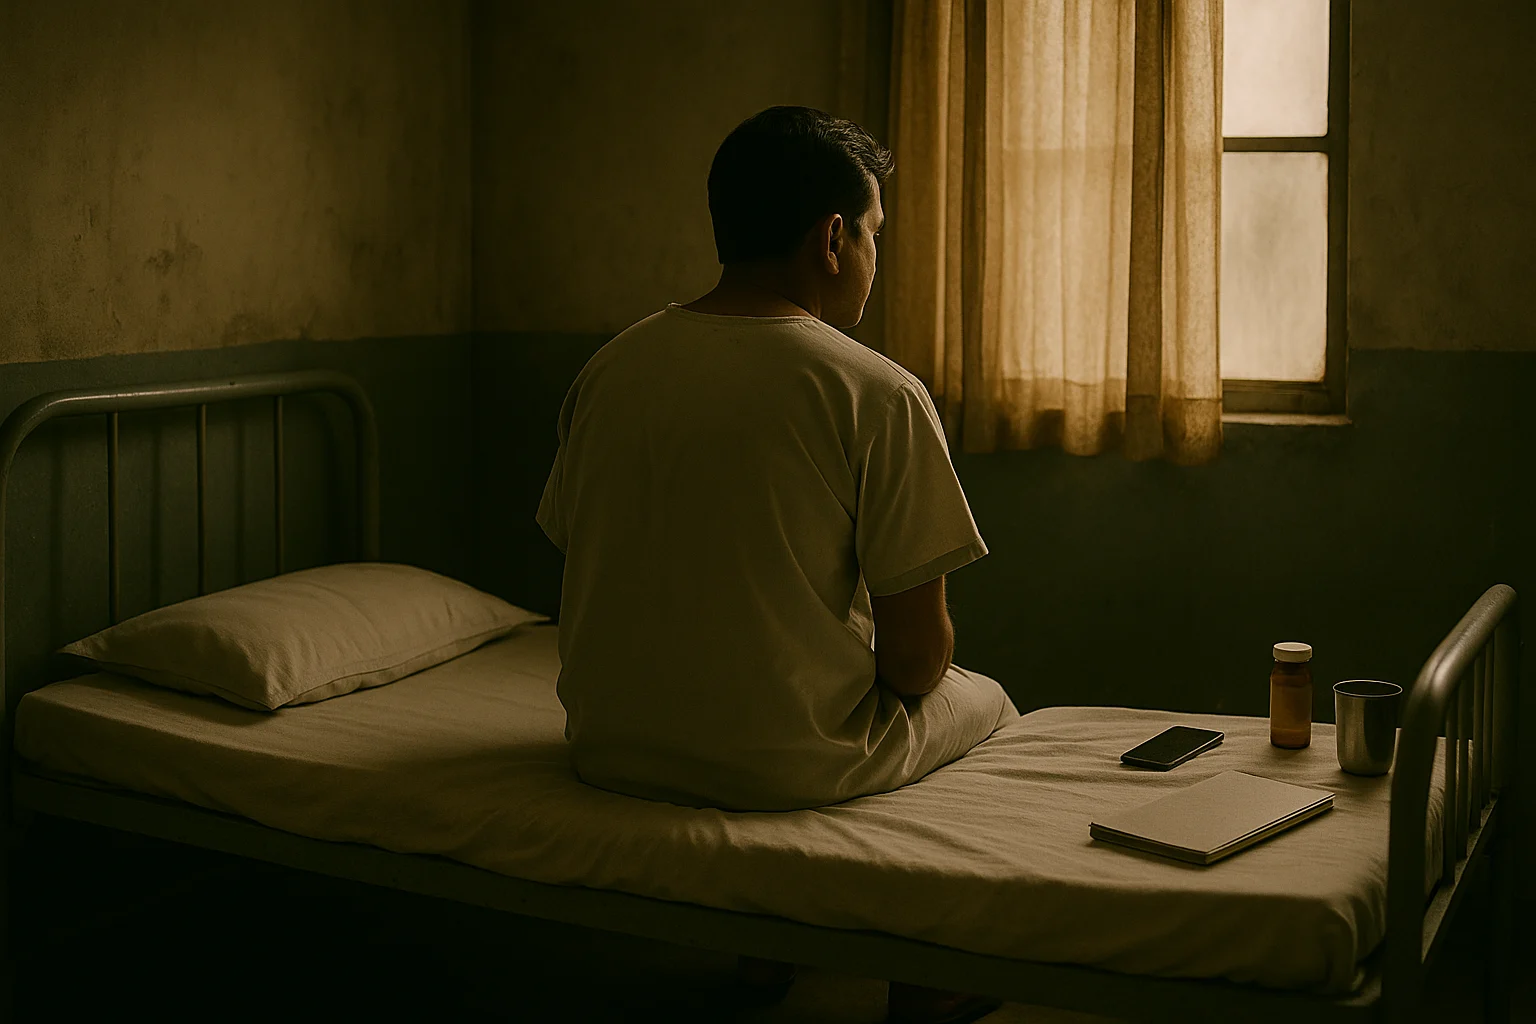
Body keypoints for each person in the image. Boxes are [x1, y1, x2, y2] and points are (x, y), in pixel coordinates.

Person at [536, 105, 1015, 1024]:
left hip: (610, 744)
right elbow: (917, 661)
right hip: (783, 764)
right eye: (875, 235)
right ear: (832, 239)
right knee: (984, 703)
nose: (876, 259)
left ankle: (767, 951)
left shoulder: (610, 370)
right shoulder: (874, 392)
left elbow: (594, 554)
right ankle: (931, 966)